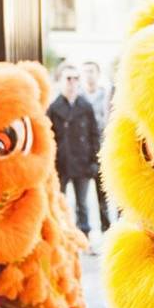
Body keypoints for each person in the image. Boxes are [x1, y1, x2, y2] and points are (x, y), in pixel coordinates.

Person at [47, 64, 101, 244]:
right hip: (61, 164)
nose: (72, 83)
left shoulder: (85, 106)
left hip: (82, 161)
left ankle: (84, 238)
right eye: (68, 79)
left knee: (82, 204)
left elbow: (94, 134)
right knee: (60, 202)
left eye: (76, 78)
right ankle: (61, 237)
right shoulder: (54, 108)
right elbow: (48, 136)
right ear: (60, 81)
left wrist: (94, 159)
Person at [80, 61, 112, 233]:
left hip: (103, 149)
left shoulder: (105, 94)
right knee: (82, 198)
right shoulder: (79, 96)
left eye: (91, 71)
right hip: (85, 152)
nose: (88, 75)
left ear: (97, 74)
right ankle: (84, 234)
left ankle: (106, 229)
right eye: (85, 72)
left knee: (104, 193)